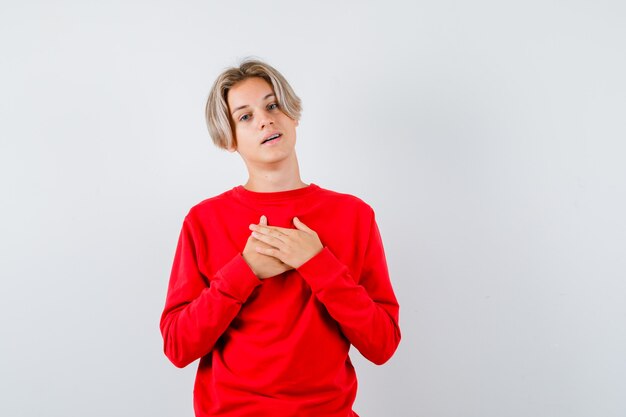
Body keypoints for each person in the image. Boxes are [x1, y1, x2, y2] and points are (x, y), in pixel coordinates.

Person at [159, 59, 401, 417]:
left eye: (272, 105)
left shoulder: (354, 216)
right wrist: (244, 272)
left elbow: (382, 345)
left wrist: (320, 264)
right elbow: (178, 346)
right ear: (229, 139)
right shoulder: (203, 221)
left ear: (292, 115)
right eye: (245, 116)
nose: (264, 119)